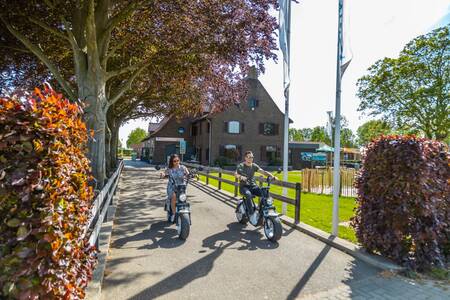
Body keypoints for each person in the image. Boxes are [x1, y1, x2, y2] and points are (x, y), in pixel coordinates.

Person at [235, 150, 274, 217]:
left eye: (252, 157)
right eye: (249, 157)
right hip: (244, 187)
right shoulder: (241, 166)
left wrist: (272, 176)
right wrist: (241, 177)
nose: (251, 159)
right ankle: (251, 213)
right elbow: (236, 174)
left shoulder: (254, 166)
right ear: (245, 158)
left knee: (265, 192)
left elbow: (262, 171)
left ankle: (262, 211)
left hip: (253, 186)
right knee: (248, 194)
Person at [160, 154, 189, 223]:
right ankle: (173, 214)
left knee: (182, 198)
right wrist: (162, 174)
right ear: (172, 162)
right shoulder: (170, 169)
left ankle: (183, 212)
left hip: (181, 187)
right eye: (174, 161)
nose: (176, 162)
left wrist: (193, 175)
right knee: (174, 196)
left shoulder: (183, 167)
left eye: (178, 160)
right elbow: (164, 173)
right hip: (172, 187)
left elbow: (188, 173)